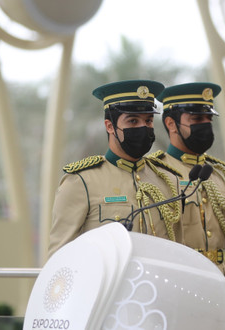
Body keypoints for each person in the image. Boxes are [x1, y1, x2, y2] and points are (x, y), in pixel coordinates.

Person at [47, 80, 184, 258]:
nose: (143, 127)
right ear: (110, 126)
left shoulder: (168, 180)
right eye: (133, 121)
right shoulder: (81, 182)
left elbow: (178, 251)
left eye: (148, 121)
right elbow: (61, 256)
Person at [148, 82, 225, 272]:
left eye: (208, 119)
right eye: (197, 119)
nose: (205, 125)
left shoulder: (224, 176)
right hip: (180, 275)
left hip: (223, 276)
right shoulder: (154, 173)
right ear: (171, 124)